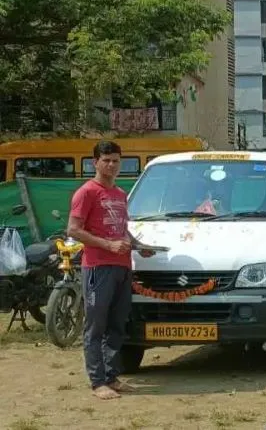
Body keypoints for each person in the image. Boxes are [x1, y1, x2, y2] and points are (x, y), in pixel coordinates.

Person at [67, 141, 154, 400]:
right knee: (96, 326)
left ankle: (112, 377)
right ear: (95, 162)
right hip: (98, 267)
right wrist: (108, 245)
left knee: (117, 324)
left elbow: (120, 230)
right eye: (106, 160)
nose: (111, 165)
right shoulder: (86, 192)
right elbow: (73, 230)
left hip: (123, 267)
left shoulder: (119, 194)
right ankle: (97, 382)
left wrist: (139, 246)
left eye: (116, 160)